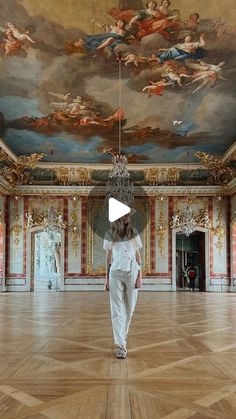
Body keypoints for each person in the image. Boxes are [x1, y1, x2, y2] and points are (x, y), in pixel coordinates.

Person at [103, 212, 142, 359]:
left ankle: (122, 335)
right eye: (123, 216)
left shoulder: (133, 232)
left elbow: (138, 255)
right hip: (115, 273)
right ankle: (121, 345)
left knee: (129, 308)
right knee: (116, 309)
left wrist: (140, 276)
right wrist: (106, 278)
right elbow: (108, 257)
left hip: (132, 272)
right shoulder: (109, 233)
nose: (126, 218)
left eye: (128, 216)